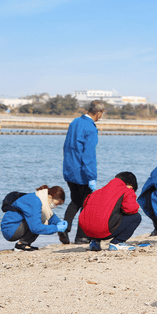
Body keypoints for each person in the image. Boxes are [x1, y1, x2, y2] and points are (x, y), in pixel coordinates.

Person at [60, 100, 105, 245]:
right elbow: (88, 154)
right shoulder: (91, 128)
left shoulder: (75, 122)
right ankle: (81, 236)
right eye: (102, 114)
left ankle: (64, 228)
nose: (101, 117)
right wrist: (91, 177)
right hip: (82, 172)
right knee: (87, 204)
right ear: (98, 113)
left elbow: (66, 146)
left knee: (76, 201)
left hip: (69, 169)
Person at [79, 172, 142, 251]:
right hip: (104, 230)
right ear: (129, 184)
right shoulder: (126, 190)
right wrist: (136, 206)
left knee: (96, 214)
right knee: (136, 217)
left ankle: (94, 242)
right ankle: (116, 243)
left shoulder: (97, 192)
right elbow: (131, 209)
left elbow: (85, 207)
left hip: (87, 231)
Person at [0, 185, 68, 251]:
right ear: (50, 197)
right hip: (10, 230)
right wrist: (56, 228)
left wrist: (59, 222)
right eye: (55, 204)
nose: (55, 206)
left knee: (40, 216)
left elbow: (50, 216)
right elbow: (36, 228)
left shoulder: (40, 198)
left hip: (16, 226)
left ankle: (24, 244)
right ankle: (21, 245)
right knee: (40, 217)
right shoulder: (34, 202)